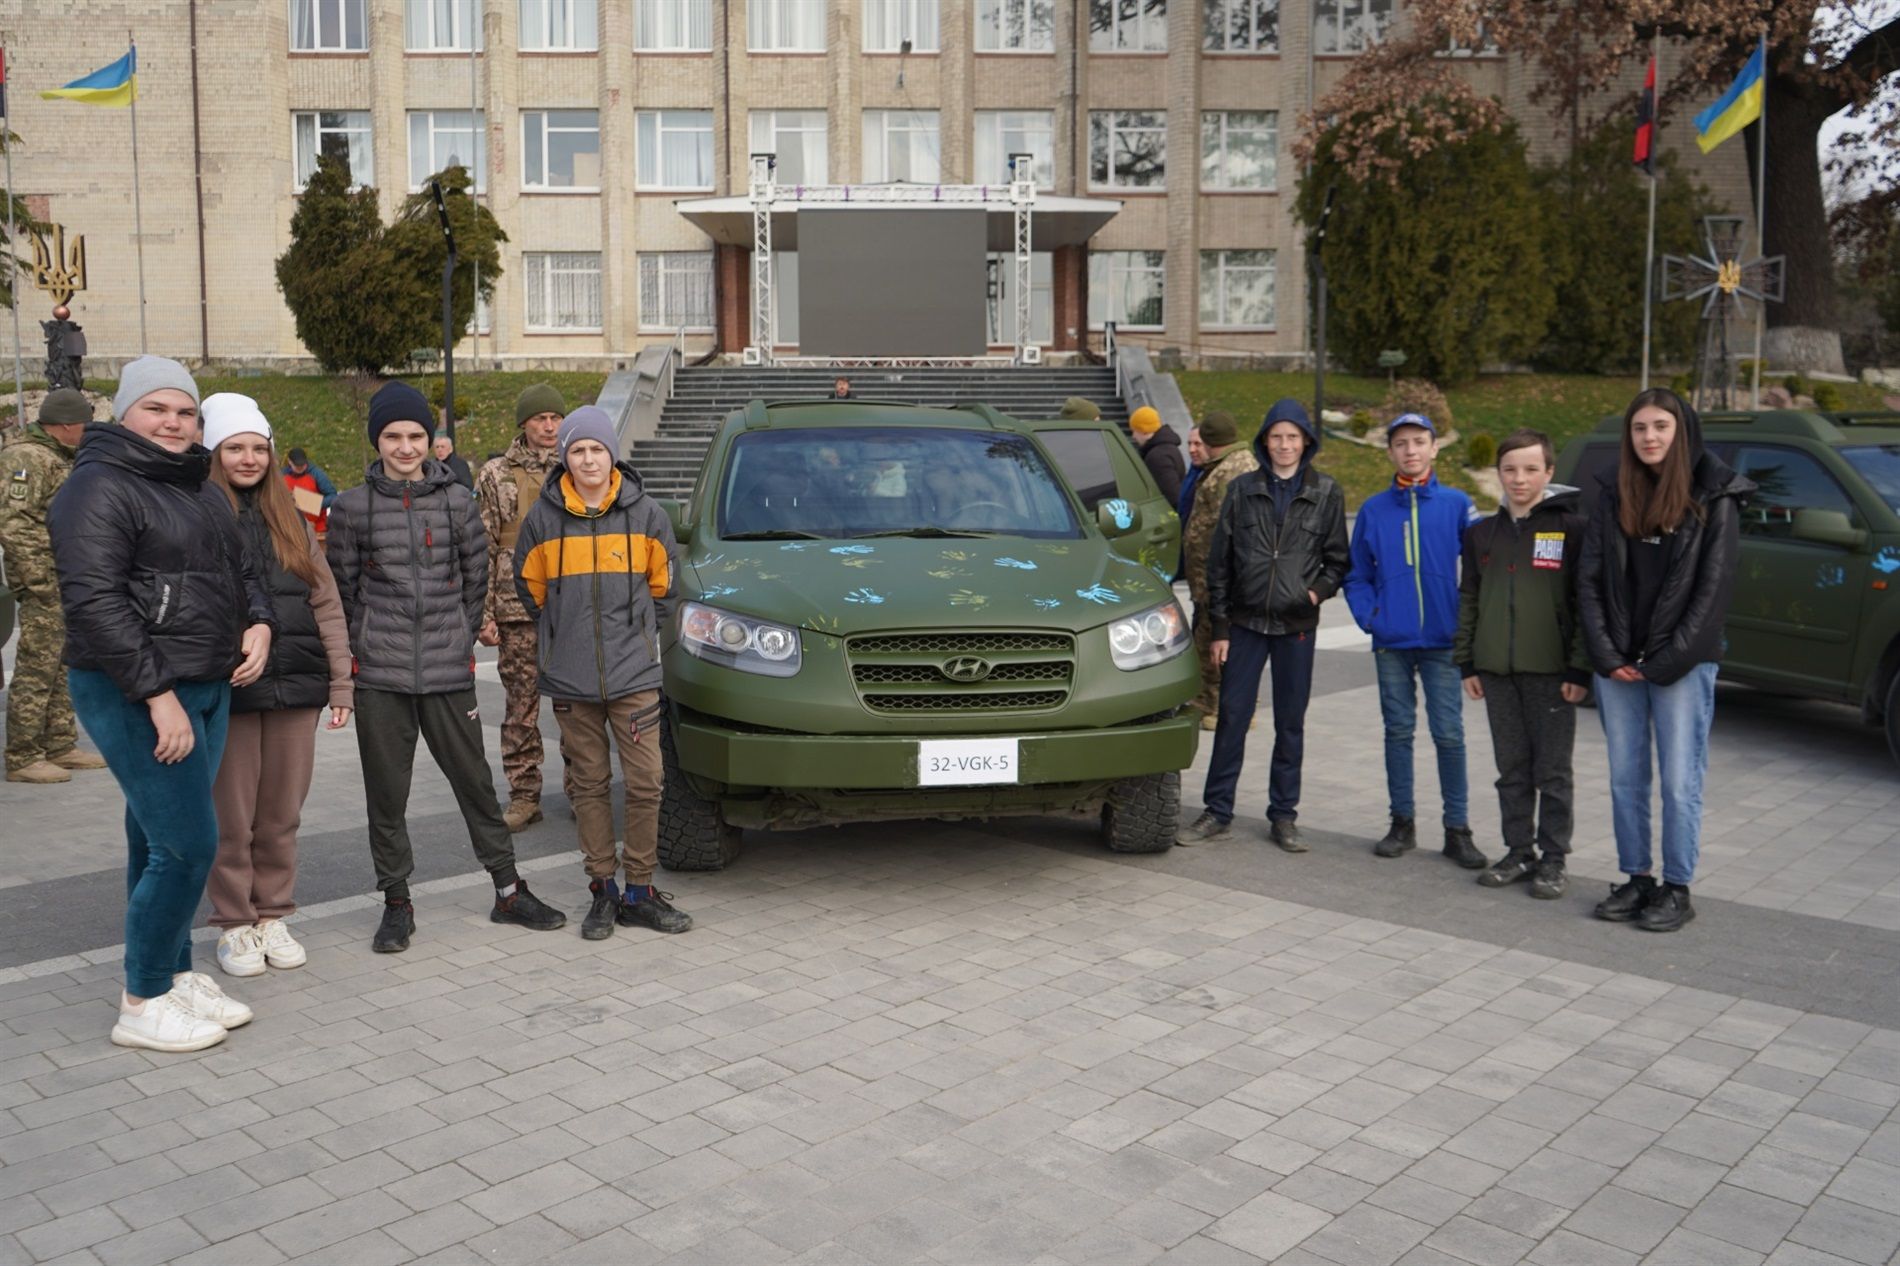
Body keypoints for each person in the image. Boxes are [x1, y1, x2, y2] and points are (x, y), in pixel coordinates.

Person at [49, 357, 273, 1052]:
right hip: (136, 690)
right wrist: (156, 696)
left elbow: (239, 569)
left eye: (185, 412)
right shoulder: (97, 487)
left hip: (203, 682)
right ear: (124, 413)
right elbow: (95, 603)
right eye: (158, 409)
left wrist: (259, 618)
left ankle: (173, 974)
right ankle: (142, 999)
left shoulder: (198, 486)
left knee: (155, 838)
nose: (174, 423)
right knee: (188, 845)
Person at [327, 381, 566, 952]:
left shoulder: (457, 500)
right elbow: (343, 588)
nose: (405, 447)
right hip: (381, 677)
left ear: (428, 440)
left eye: (414, 435)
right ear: (377, 441)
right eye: (392, 436)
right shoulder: (353, 507)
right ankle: (396, 902)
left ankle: (508, 889)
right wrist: (367, 639)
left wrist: (459, 634)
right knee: (387, 795)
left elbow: (474, 575)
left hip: (446, 672)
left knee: (476, 786)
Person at [513, 406, 693, 940]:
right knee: (588, 785)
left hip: (634, 676)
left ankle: (640, 889)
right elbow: (531, 592)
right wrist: (564, 636)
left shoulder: (647, 515)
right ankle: (603, 890)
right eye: (577, 450)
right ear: (563, 456)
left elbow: (664, 591)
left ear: (612, 453)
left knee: (647, 781)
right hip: (571, 682)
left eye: (596, 449)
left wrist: (637, 640)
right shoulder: (543, 520)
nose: (587, 458)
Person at [1578, 388, 1751, 932]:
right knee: (1626, 779)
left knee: (1680, 781)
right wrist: (1607, 655)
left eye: (1661, 427)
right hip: (1620, 665)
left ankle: (1677, 887)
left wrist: (1664, 662)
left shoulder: (1715, 493)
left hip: (1681, 664)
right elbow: (1588, 579)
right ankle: (1637, 879)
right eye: (1639, 428)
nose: (1649, 437)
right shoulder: (1612, 491)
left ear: (1682, 432)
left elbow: (1713, 591)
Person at [201, 394, 354, 977]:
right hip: (232, 690)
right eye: (235, 448)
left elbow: (326, 600)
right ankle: (235, 924)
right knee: (232, 818)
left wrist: (340, 684)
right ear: (214, 452)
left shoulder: (291, 513)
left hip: (297, 687)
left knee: (282, 813)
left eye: (257, 448)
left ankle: (273, 914)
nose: (248, 459)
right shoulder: (198, 510)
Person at [1179, 399, 1348, 850]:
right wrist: (1219, 627)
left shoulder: (1326, 491)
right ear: (1264, 441)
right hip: (1245, 622)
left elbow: (1337, 561)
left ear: (1306, 442)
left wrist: (1312, 594)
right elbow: (1220, 563)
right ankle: (1217, 810)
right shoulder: (1242, 489)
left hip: (1296, 624)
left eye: (1293, 437)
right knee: (1231, 717)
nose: (1285, 445)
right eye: (1277, 436)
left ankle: (1284, 815)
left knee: (1291, 722)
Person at [1345, 412, 1486, 870]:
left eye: (1419, 441)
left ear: (1434, 447)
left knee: (1449, 734)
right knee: (1398, 731)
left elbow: (1480, 569)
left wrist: (1468, 625)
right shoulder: (1373, 510)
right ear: (1390, 451)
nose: (1411, 450)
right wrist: (1372, 618)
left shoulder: (1456, 504)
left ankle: (1458, 828)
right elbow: (1357, 574)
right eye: (1401, 443)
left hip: (1444, 642)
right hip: (1393, 642)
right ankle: (1401, 821)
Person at [1455, 429, 1591, 900]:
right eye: (1510, 469)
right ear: (1499, 473)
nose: (1519, 478)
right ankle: (1519, 850)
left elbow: (1581, 603)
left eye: (1531, 469)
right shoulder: (1481, 535)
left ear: (1549, 473)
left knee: (1552, 771)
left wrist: (1579, 669)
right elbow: (1469, 598)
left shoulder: (1570, 530)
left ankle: (1553, 859)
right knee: (1511, 768)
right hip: (1496, 672)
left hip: (1552, 674)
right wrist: (1467, 662)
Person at [2, 388, 109, 783]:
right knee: (36, 665)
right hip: (46, 581)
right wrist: (39, 580)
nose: (86, 431)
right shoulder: (25, 458)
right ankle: (23, 754)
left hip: (65, 579)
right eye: (84, 424)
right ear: (66, 425)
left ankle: (59, 743)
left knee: (61, 663)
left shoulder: (56, 457)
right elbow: (15, 523)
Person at [475, 383, 568, 831]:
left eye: (555, 418)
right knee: (520, 708)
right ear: (524, 424)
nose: (549, 426)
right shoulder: (496, 474)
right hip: (516, 609)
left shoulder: (578, 466)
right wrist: (484, 613)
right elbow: (485, 546)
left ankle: (582, 789)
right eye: (539, 418)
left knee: (577, 706)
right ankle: (524, 795)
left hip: (570, 606)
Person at [1181, 410, 1257, 729]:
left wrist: (1223, 583)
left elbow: (1233, 530)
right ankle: (1209, 703)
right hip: (1210, 582)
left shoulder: (1230, 471)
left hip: (1222, 582)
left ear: (1212, 442)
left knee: (1222, 646)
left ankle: (1232, 709)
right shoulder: (1225, 467)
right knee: (1208, 640)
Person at [1129, 405, 1185, 505]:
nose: (1133, 436)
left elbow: (1173, 496)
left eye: (1134, 430)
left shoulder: (1158, 457)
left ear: (1144, 430)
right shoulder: (1169, 448)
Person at [281, 447, 339, 541]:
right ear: (290, 462)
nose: (300, 468)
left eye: (303, 465)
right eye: (297, 466)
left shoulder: (317, 474)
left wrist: (313, 503)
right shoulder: (282, 475)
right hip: (291, 528)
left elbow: (333, 496)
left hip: (318, 528)